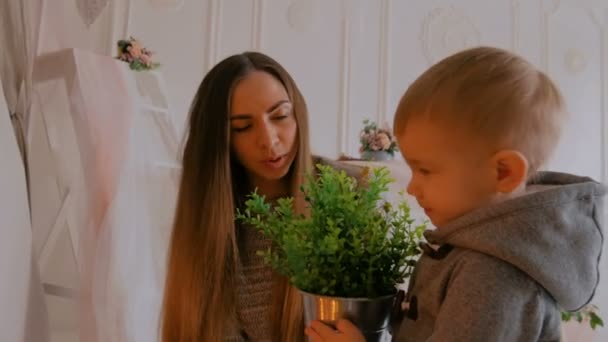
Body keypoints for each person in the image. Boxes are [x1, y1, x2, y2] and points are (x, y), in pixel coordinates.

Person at [306, 46, 605, 341]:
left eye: (425, 170)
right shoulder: (482, 250)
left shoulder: (491, 275)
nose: (412, 187)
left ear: (503, 172)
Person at [160, 51, 363, 341]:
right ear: (221, 141)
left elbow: (387, 322)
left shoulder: (350, 192)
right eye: (243, 127)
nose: (269, 141)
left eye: (280, 115)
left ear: (297, 113)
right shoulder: (215, 216)